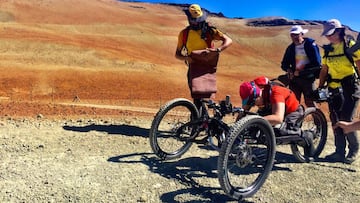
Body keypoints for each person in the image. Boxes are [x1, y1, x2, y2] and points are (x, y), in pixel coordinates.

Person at [239, 76, 314, 158]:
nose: (254, 105)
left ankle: (306, 137)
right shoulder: (252, 89)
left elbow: (278, 118)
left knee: (281, 131)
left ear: (258, 94)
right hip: (271, 107)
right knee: (254, 128)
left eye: (253, 102)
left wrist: (256, 120)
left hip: (292, 111)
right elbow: (243, 112)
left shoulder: (275, 92)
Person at [318, 19, 360, 164]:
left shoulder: (350, 45)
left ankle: (353, 150)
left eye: (330, 34)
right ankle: (339, 152)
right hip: (334, 89)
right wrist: (320, 86)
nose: (328, 37)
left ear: (339, 31)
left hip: (351, 87)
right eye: (327, 35)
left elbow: (359, 65)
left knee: (346, 119)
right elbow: (324, 70)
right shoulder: (328, 50)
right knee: (336, 120)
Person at [175, 4, 232, 109]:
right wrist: (186, 58)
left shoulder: (209, 30)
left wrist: (218, 49)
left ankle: (204, 121)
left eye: (198, 20)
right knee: (196, 96)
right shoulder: (184, 34)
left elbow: (228, 40)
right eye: (193, 20)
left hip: (208, 67)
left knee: (207, 96)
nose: (196, 22)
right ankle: (197, 121)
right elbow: (177, 54)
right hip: (193, 68)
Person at [280, 25, 322, 107]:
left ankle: (318, 119)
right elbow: (284, 63)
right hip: (295, 80)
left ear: (302, 34)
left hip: (309, 79)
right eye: (292, 35)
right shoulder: (290, 48)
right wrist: (289, 70)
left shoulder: (310, 45)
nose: (295, 37)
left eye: (297, 34)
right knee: (293, 102)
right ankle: (295, 119)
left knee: (311, 101)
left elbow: (317, 63)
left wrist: (302, 72)